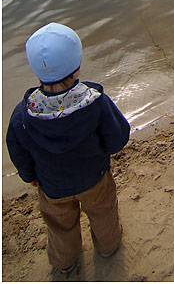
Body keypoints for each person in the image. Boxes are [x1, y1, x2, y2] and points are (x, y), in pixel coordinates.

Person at [6, 22, 130, 274]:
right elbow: (118, 137)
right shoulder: (95, 102)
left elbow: (17, 149)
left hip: (51, 186)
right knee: (104, 213)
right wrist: (103, 152)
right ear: (77, 67)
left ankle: (65, 262)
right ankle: (108, 247)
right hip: (94, 178)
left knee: (60, 226)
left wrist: (30, 176)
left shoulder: (23, 115)